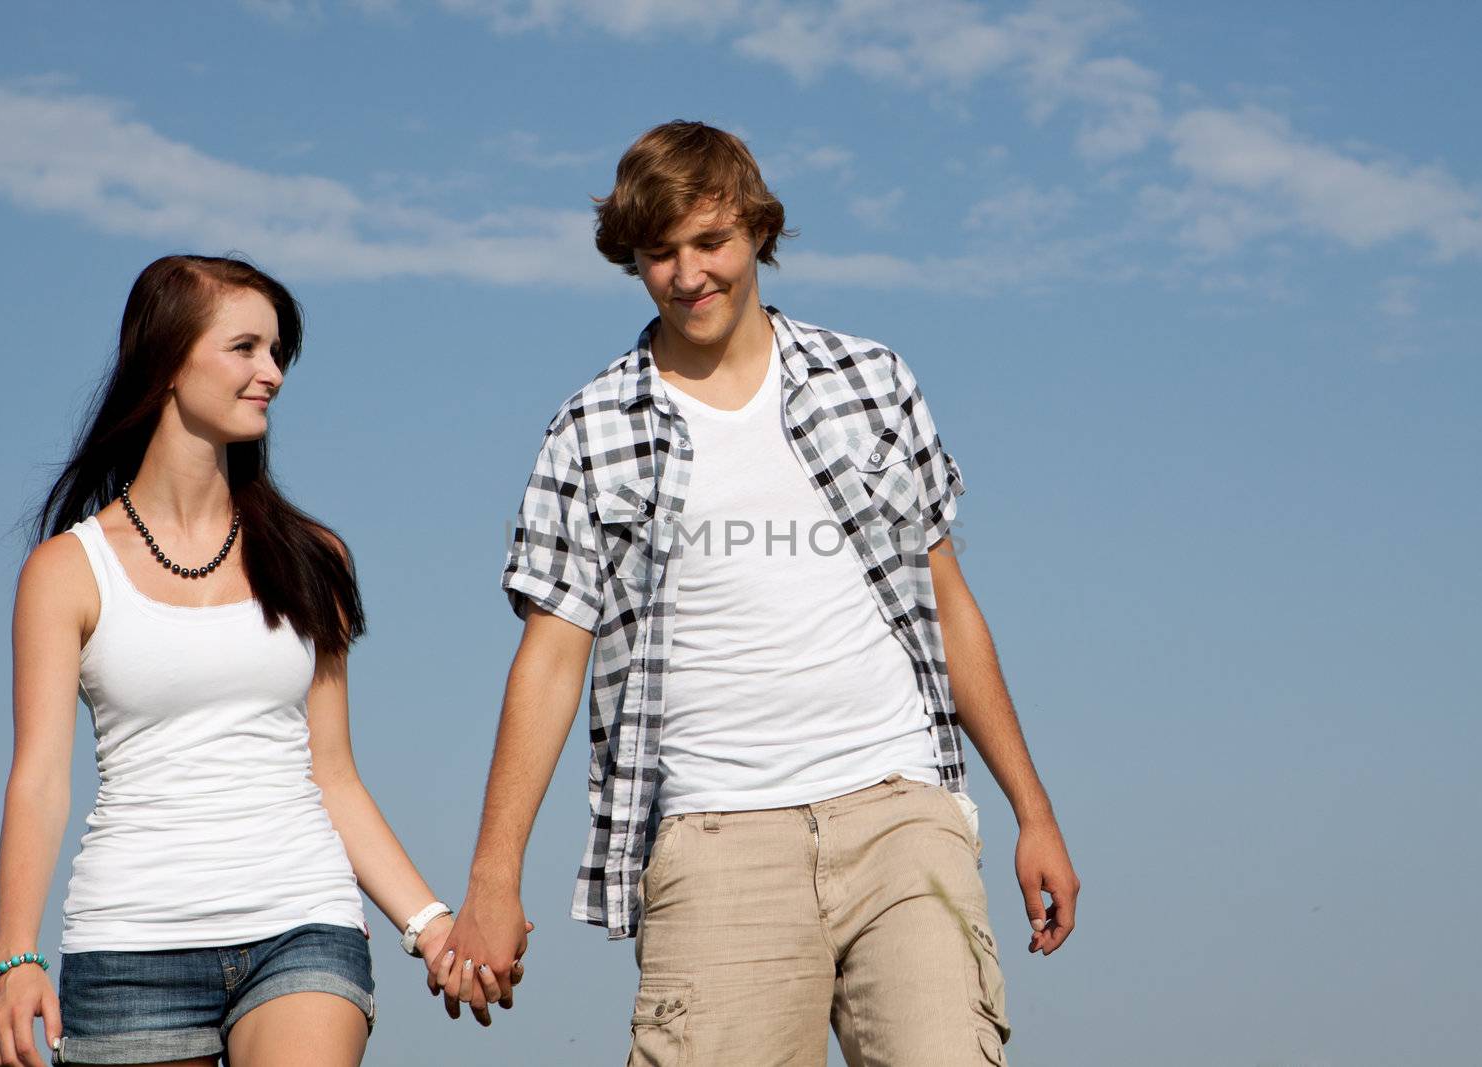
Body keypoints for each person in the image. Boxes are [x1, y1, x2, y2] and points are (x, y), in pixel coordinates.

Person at [434, 121, 1079, 1064]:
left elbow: (948, 602)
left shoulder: (870, 380)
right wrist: (494, 878)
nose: (689, 275)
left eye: (711, 243)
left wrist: (1034, 809)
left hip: (900, 811)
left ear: (759, 234)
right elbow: (551, 655)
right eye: (660, 254)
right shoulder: (591, 428)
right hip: (714, 833)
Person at [0, 255, 495, 1067]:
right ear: (167, 360)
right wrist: (15, 955)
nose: (273, 374)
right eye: (246, 347)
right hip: (128, 947)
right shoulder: (65, 571)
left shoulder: (312, 557)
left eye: (278, 352)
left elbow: (333, 774)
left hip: (303, 925)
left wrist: (428, 924)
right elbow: (40, 777)